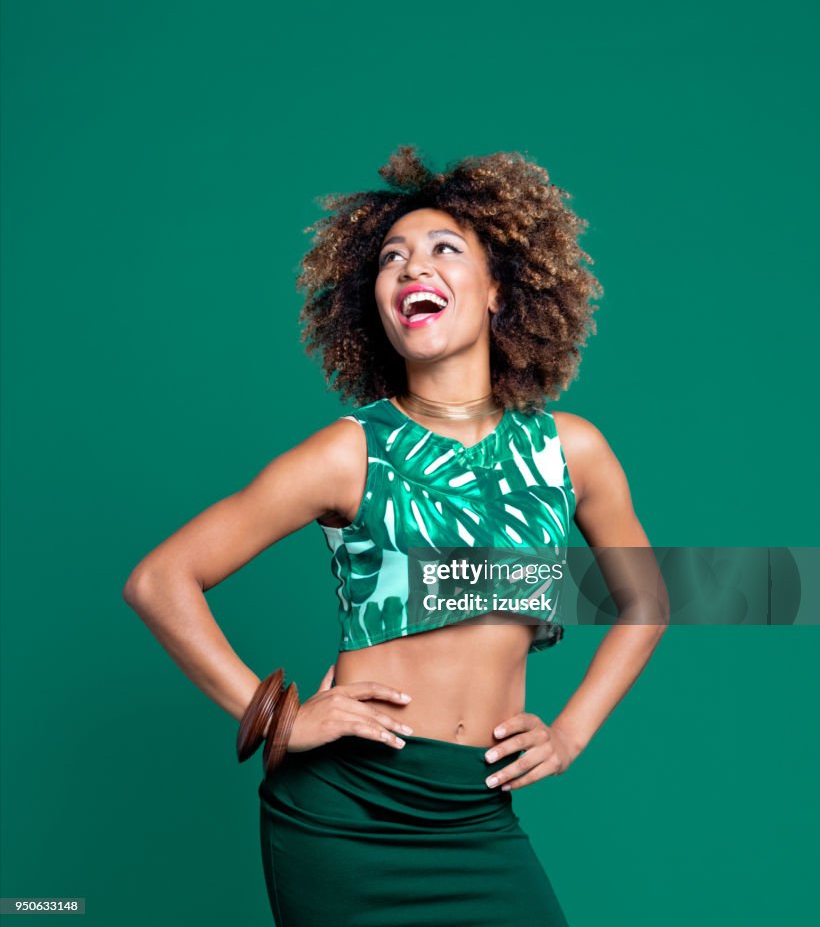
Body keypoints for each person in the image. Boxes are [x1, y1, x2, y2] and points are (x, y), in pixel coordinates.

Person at [123, 145, 669, 926]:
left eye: (445, 249)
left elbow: (646, 599)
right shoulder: (349, 452)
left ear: (497, 292)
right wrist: (276, 714)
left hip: (477, 812)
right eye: (391, 258)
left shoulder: (570, 450)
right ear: (375, 301)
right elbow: (160, 579)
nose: (413, 268)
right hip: (347, 813)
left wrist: (572, 733)